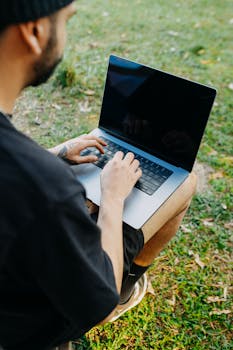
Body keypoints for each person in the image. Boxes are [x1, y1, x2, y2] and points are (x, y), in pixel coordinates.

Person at [0, 1, 197, 349]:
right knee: (186, 182)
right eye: (65, 21)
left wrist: (58, 154)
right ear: (34, 32)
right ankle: (127, 287)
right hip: (32, 322)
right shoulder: (48, 189)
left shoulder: (33, 174)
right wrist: (113, 197)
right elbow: (97, 304)